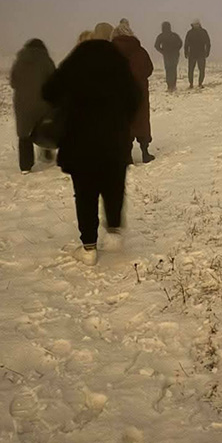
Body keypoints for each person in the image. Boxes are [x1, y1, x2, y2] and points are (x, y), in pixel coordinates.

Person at [42, 22, 141, 266]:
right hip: (113, 137)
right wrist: (121, 119)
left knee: (85, 192)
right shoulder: (117, 60)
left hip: (80, 139)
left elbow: (49, 91)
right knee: (113, 183)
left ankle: (88, 248)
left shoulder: (77, 58)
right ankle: (114, 230)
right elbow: (135, 96)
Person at [9, 38, 56, 173]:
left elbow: (13, 82)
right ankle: (47, 151)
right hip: (42, 102)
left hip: (22, 103)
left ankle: (25, 166)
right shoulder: (46, 61)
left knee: (24, 134)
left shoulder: (19, 61)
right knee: (45, 126)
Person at [112, 21, 155, 163]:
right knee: (141, 121)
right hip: (139, 92)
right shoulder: (139, 50)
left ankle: (127, 156)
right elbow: (149, 69)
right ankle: (145, 152)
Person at [154, 21, 183, 92]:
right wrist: (176, 50)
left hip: (167, 55)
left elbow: (156, 45)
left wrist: (162, 51)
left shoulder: (161, 36)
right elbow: (180, 43)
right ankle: (173, 85)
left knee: (168, 70)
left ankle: (169, 86)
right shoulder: (174, 35)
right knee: (173, 69)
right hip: (174, 55)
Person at [184, 19, 211, 88]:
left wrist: (207, 52)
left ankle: (200, 83)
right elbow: (186, 43)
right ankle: (191, 84)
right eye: (194, 24)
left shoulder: (203, 32)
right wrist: (186, 52)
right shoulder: (190, 32)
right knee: (191, 70)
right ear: (192, 25)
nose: (196, 25)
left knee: (201, 70)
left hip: (201, 54)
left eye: (197, 24)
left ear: (199, 24)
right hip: (192, 54)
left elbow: (208, 43)